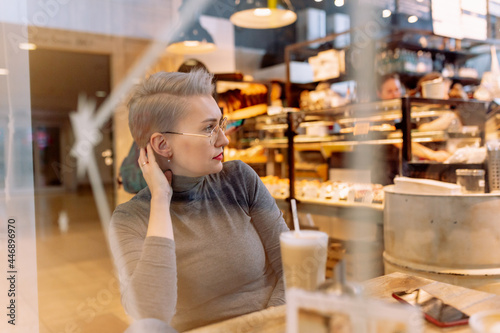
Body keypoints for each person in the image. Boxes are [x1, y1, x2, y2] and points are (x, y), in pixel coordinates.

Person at [109, 70, 289, 332]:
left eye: (221, 124)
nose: (224, 139)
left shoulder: (239, 179)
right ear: (162, 145)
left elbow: (294, 267)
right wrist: (160, 199)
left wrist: (268, 323)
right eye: (208, 128)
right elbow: (152, 314)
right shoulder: (130, 218)